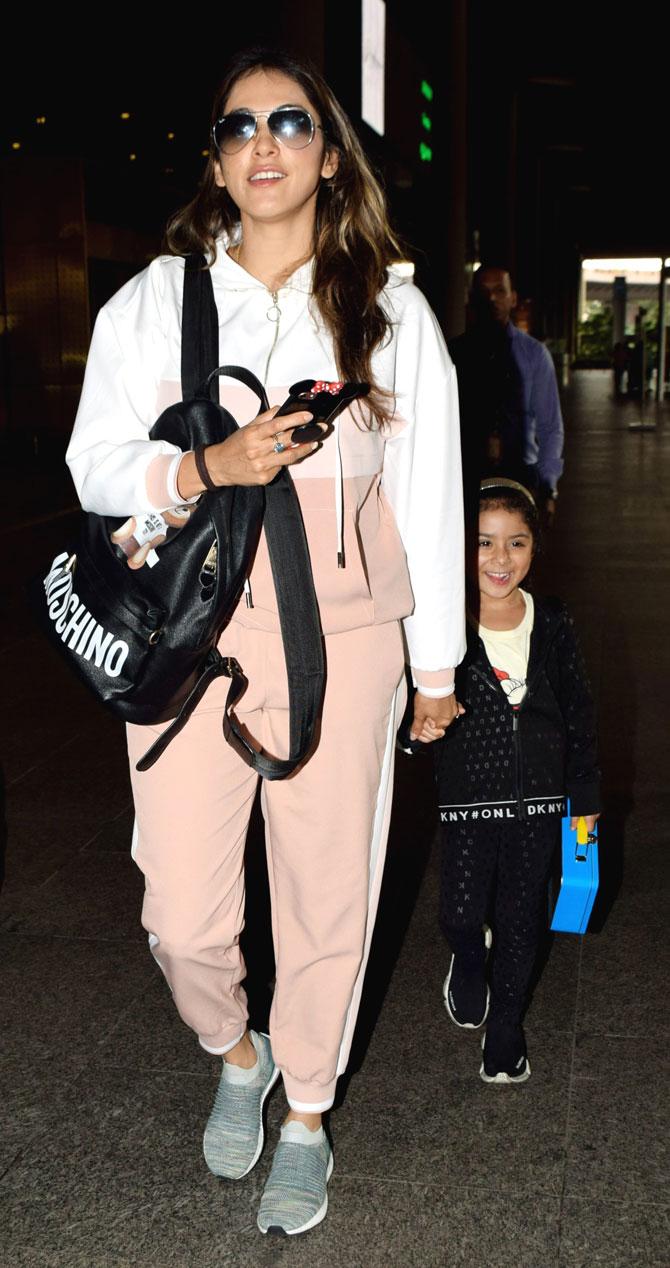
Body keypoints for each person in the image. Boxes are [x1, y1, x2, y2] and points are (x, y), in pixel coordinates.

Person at [66, 48, 465, 1235]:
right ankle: (233, 1047)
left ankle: (304, 1111)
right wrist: (203, 464)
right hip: (192, 641)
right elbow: (95, 464)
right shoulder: (156, 298)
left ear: (328, 153)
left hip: (345, 641)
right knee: (179, 914)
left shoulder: (386, 307)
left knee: (327, 897)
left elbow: (428, 491)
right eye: (240, 128)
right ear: (220, 160)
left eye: (289, 122)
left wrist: (437, 668)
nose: (264, 143)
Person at [433, 478, 599, 1083]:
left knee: (523, 916)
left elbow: (578, 710)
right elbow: (412, 702)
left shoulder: (551, 620)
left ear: (535, 548)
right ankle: (468, 958)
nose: (500, 560)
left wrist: (584, 800)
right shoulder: (442, 623)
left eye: (516, 543)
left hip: (541, 802)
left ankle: (506, 1026)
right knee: (459, 908)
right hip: (469, 798)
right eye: (484, 543)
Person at [448, 267, 564, 524]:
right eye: (484, 292)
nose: (491, 299)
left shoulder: (534, 355)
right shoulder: (453, 354)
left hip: (520, 476)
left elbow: (550, 427)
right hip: (467, 476)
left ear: (513, 298)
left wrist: (548, 486)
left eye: (500, 290)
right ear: (472, 298)